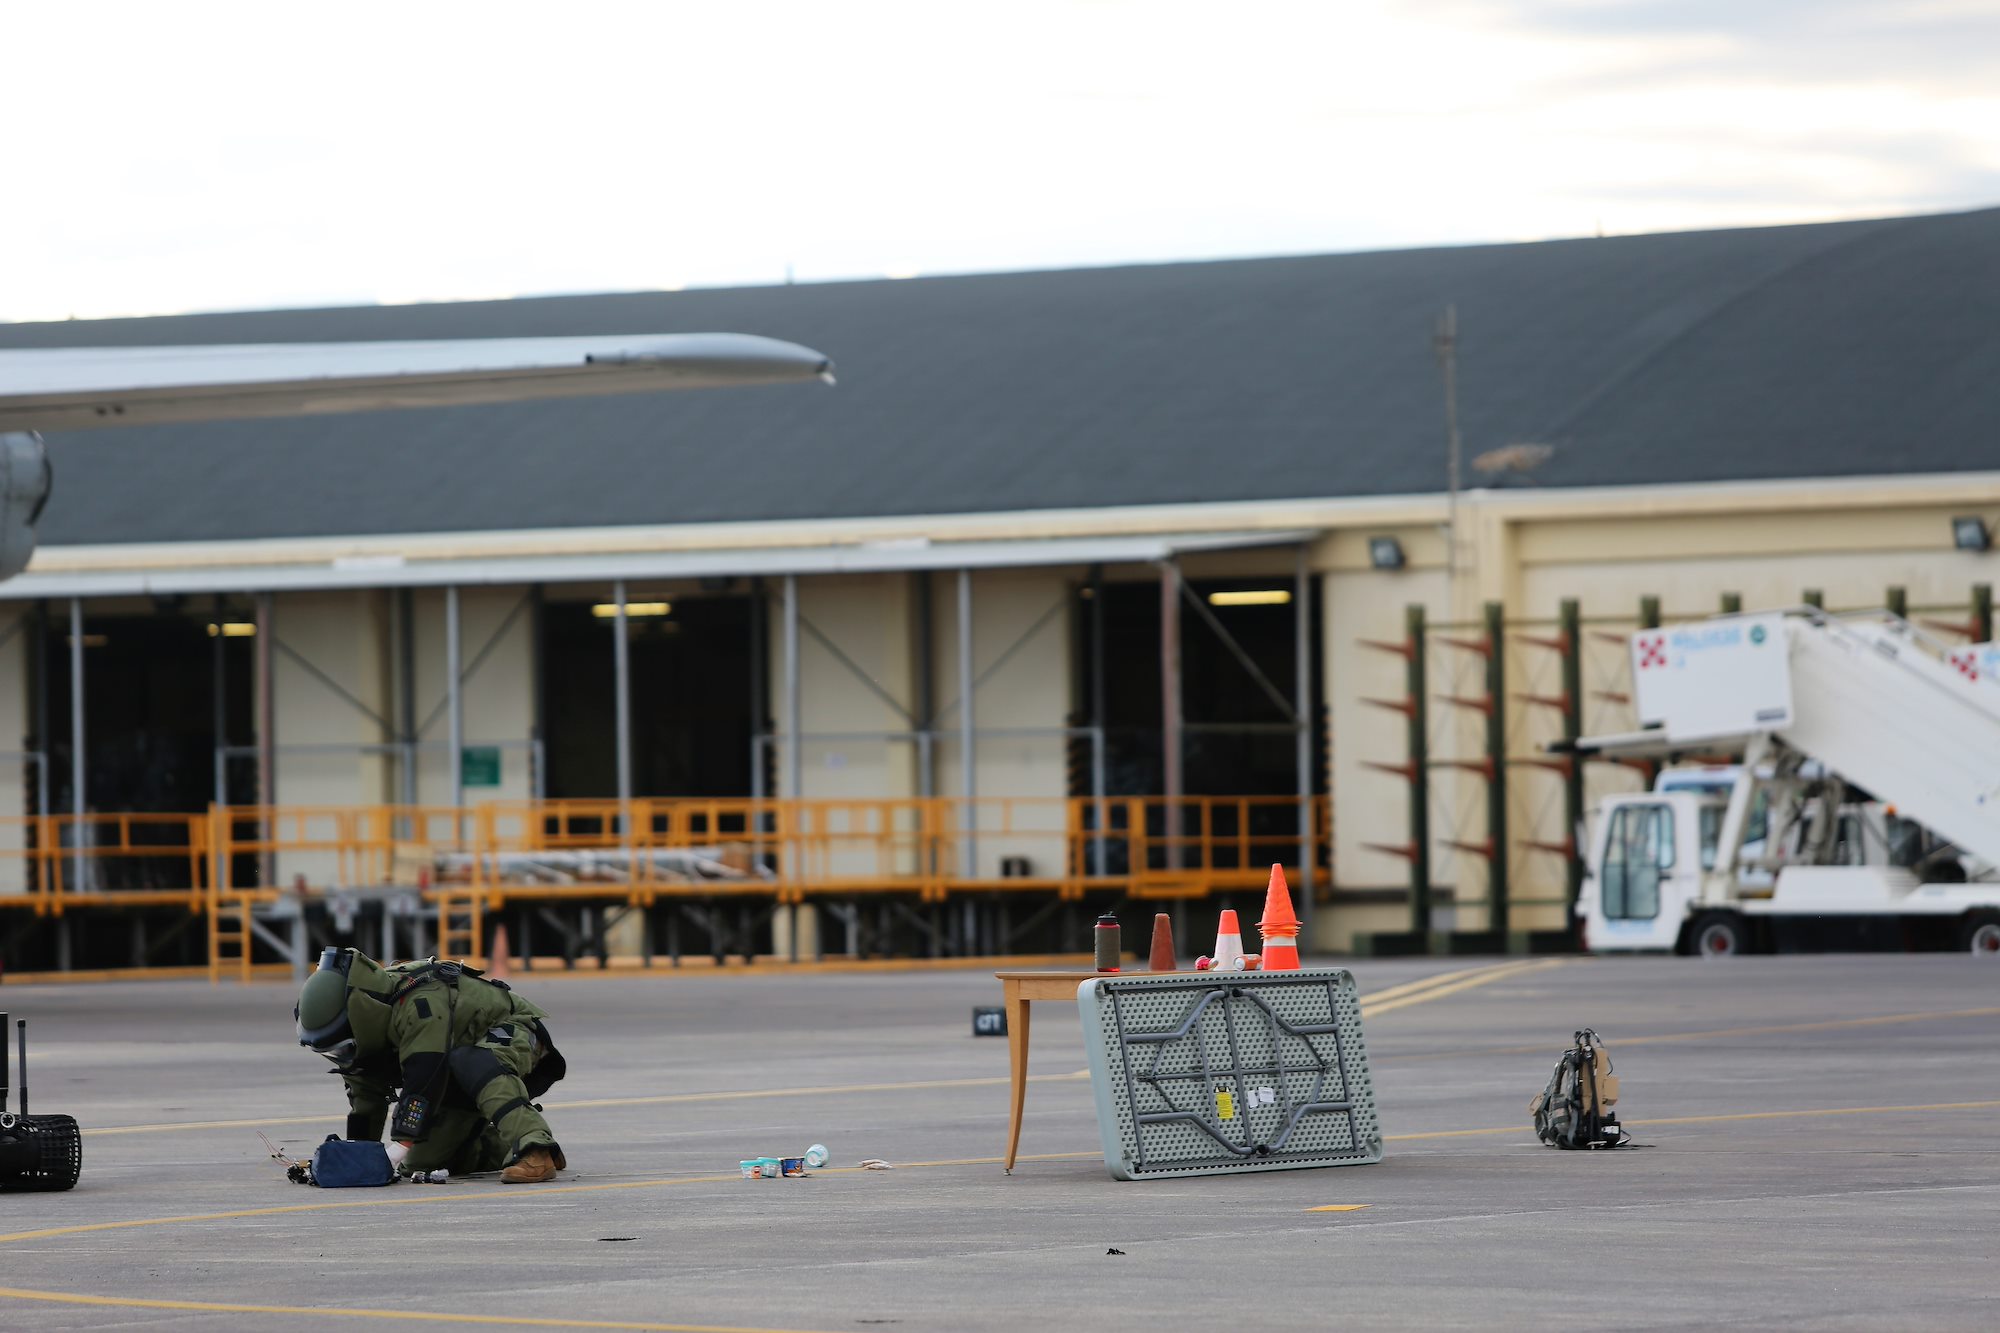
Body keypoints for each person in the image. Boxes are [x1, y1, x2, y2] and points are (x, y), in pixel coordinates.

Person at [293, 946, 568, 1183]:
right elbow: (366, 1099)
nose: (342, 1056)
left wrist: (401, 1143)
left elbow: (424, 1076)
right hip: (452, 1073)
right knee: (420, 1165)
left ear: (362, 1016)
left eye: (341, 1048)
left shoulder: (418, 1003)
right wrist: (358, 1159)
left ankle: (535, 1147)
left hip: (514, 1033)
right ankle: (508, 1146)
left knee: (474, 1060)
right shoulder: (365, 1036)